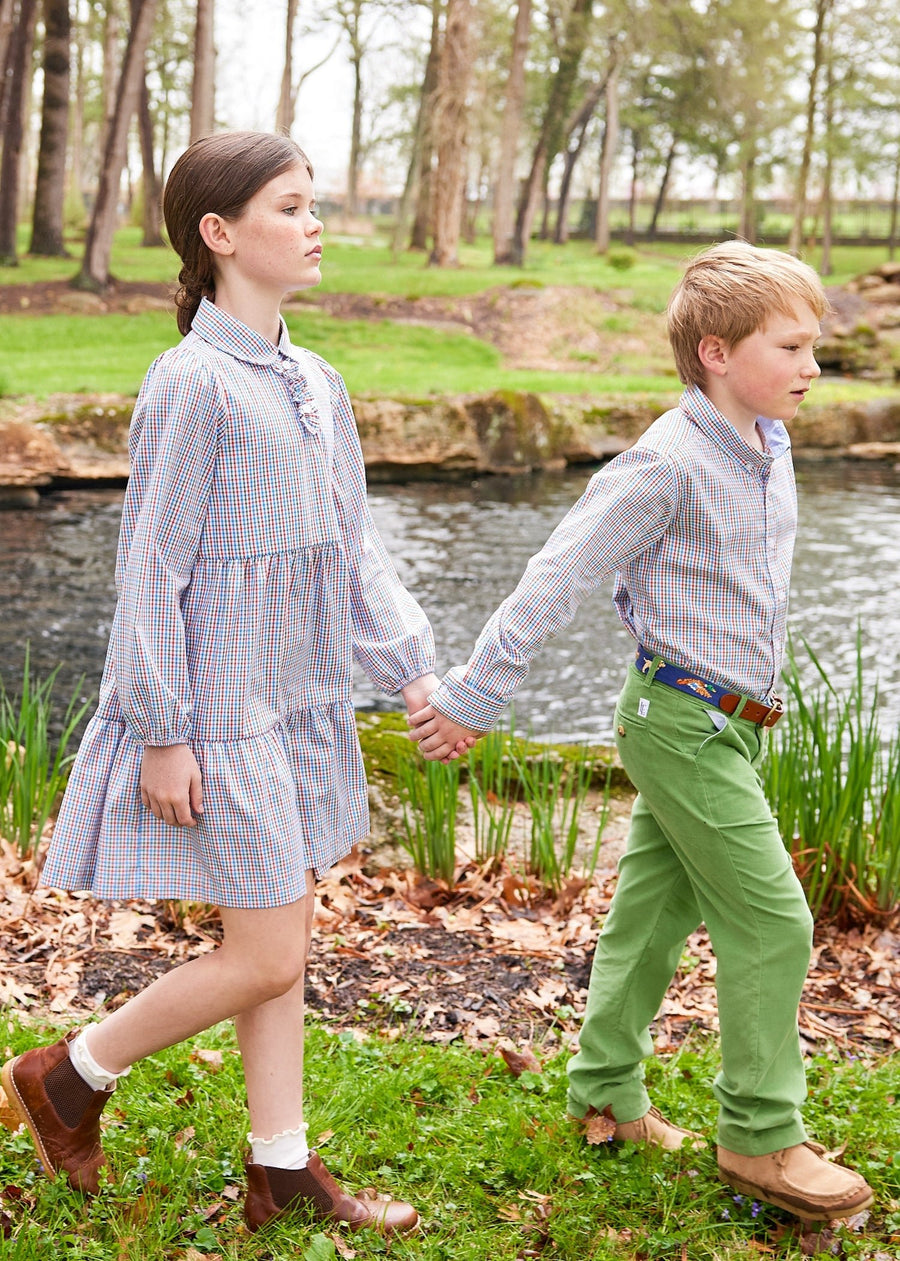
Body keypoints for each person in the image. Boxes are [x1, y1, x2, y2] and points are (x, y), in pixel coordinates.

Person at [1, 131, 434, 1237]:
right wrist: (161, 727)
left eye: (313, 202)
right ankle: (70, 1073)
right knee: (268, 951)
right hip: (220, 710)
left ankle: (280, 1166)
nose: (315, 222)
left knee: (280, 947)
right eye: (291, 206)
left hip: (297, 706)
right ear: (221, 232)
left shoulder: (317, 379)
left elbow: (352, 548)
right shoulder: (190, 384)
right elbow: (153, 562)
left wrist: (411, 668)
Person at [409, 241, 875, 1223]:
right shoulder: (664, 463)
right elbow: (561, 571)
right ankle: (760, 1137)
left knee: (653, 920)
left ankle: (607, 1095)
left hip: (731, 724)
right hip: (681, 724)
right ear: (715, 350)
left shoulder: (765, 444)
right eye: (789, 347)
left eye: (814, 348)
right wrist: (472, 695)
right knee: (776, 923)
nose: (811, 367)